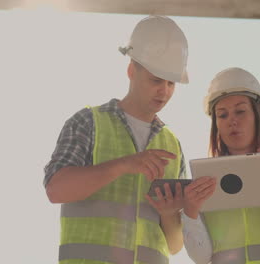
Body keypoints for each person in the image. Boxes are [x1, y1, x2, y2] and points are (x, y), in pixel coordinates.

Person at [43, 16, 190, 264]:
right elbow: (56, 189)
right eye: (156, 80)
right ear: (132, 70)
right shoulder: (88, 123)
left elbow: (175, 246)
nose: (164, 91)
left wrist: (168, 214)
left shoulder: (172, 145)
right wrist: (123, 165)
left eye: (171, 83)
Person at [181, 67, 260, 264]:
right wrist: (190, 213)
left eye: (240, 111)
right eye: (222, 115)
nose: (232, 121)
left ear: (258, 115)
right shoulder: (204, 179)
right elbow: (201, 257)